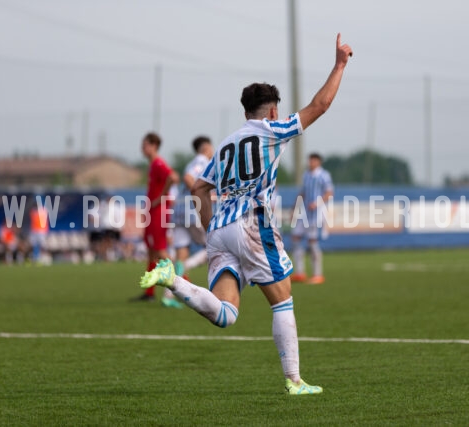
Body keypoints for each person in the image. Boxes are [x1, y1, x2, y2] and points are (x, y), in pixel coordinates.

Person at [141, 33, 352, 394]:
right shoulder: (272, 131)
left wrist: (212, 228)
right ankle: (294, 380)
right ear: (272, 112)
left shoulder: (223, 145)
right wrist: (340, 65)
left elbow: (198, 189)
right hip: (253, 226)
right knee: (282, 298)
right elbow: (319, 105)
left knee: (226, 313)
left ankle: (172, 279)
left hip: (220, 230)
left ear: (244, 112)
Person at [161, 136, 215, 308]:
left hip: (179, 212)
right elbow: (188, 177)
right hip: (192, 211)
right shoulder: (202, 160)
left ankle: (168, 295)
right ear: (206, 148)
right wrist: (200, 194)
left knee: (180, 255)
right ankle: (188, 266)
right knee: (216, 245)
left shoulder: (195, 161)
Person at [130, 132, 179, 302]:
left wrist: (161, 197)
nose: (142, 148)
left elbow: (173, 177)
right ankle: (149, 293)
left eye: (144, 145)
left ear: (153, 146)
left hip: (159, 213)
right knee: (151, 252)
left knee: (160, 251)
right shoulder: (152, 165)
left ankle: (182, 284)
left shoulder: (158, 163)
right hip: (152, 212)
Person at [290, 153, 334, 285]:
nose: (311, 162)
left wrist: (317, 203)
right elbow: (302, 192)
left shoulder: (324, 175)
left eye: (313, 160)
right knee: (295, 238)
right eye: (310, 160)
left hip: (317, 213)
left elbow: (329, 193)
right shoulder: (306, 175)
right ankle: (300, 272)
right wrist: (295, 207)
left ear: (319, 162)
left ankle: (318, 274)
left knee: (312, 241)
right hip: (305, 213)